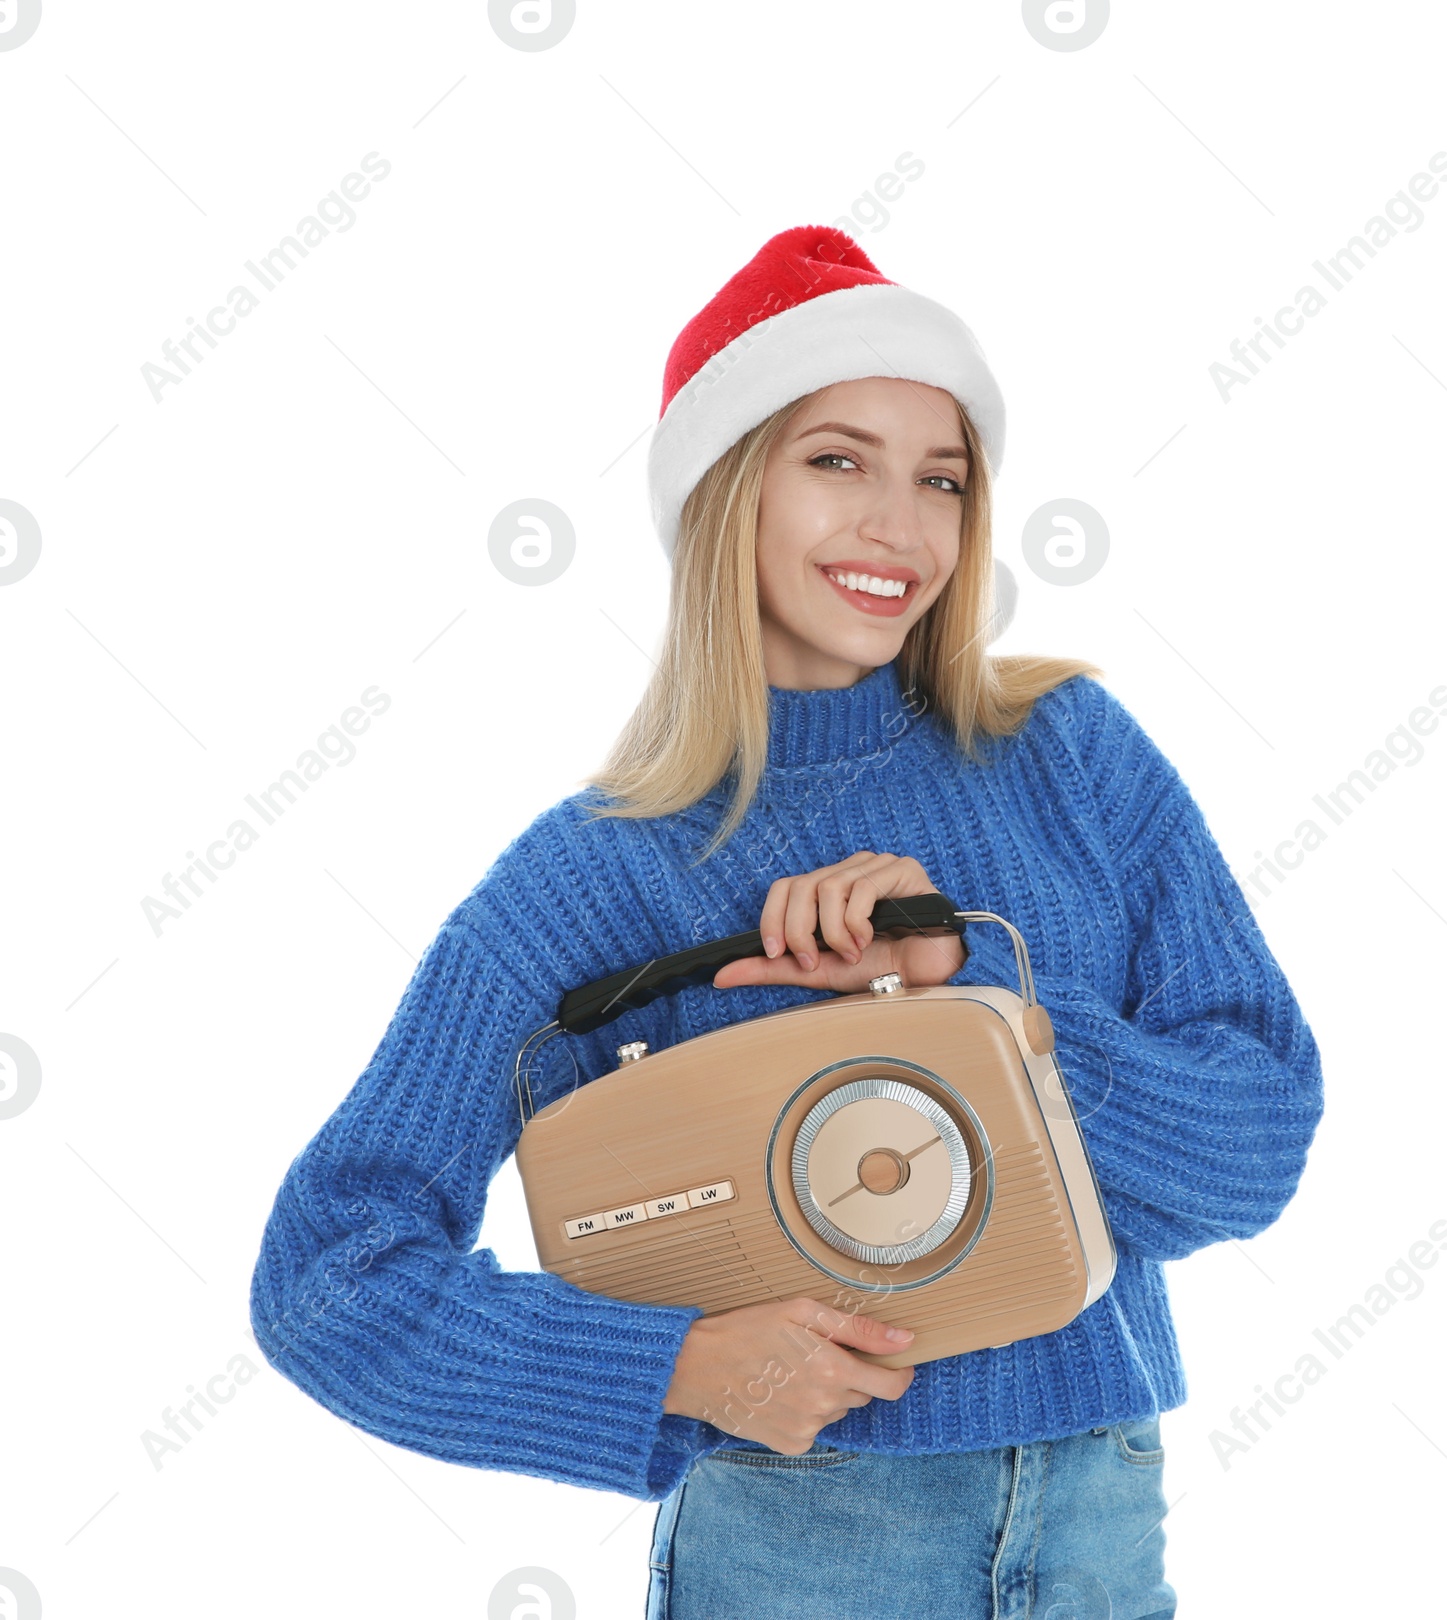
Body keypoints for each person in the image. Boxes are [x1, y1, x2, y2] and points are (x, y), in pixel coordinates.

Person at [249, 225, 1325, 1619]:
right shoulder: (600, 875)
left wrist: (978, 1010)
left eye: (942, 479)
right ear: (724, 488)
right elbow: (329, 1274)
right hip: (802, 1541)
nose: (902, 527)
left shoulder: (1072, 756)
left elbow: (1253, 1153)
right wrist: (675, 1372)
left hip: (1100, 1515)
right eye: (837, 462)